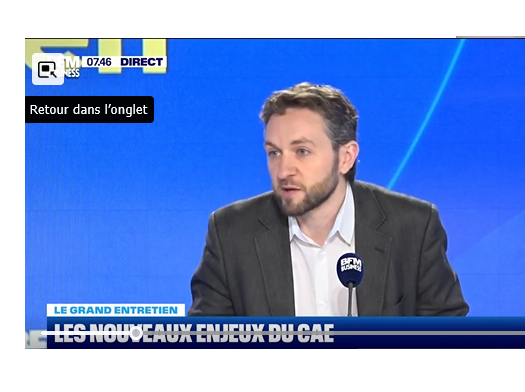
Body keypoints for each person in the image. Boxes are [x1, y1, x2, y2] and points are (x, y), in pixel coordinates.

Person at [188, 82, 469, 317]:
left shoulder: (413, 227)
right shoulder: (231, 233)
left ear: (345, 157)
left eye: (302, 151)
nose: (283, 171)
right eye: (274, 153)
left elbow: (448, 332)